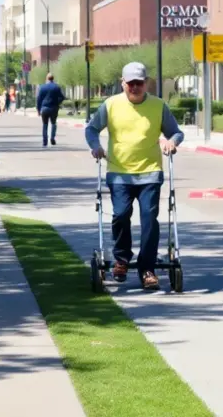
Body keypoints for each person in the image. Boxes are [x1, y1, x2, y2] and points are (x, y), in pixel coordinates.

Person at [84, 62, 183, 291]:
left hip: (149, 172)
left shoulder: (158, 106)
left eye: (139, 83)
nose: (135, 87)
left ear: (146, 83)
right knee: (121, 215)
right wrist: (95, 146)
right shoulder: (110, 105)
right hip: (119, 173)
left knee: (149, 218)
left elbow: (176, 132)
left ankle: (147, 268)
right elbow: (91, 129)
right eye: (131, 84)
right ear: (123, 83)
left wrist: (171, 142)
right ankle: (121, 259)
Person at [36, 72, 64, 147]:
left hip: (44, 108)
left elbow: (38, 99)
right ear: (53, 79)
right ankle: (52, 137)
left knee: (45, 124)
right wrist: (57, 103)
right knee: (53, 123)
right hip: (54, 108)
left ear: (46, 79)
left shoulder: (42, 87)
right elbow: (62, 97)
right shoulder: (56, 87)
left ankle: (45, 140)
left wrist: (38, 109)